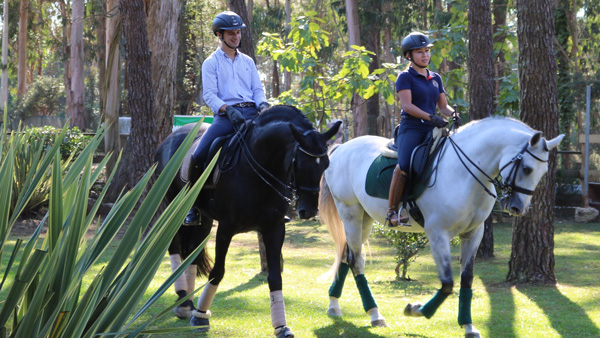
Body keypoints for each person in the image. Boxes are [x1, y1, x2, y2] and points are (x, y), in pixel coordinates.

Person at [186, 11, 269, 225]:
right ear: (219, 35)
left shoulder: (248, 62)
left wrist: (263, 104)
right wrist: (225, 108)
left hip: (251, 113)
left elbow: (257, 88)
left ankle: (273, 204)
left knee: (276, 146)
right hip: (226, 117)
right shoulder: (210, 63)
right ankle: (192, 206)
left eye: (238, 33)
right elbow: (209, 95)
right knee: (199, 155)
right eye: (231, 33)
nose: (236, 37)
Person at [386, 31, 459, 227]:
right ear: (409, 55)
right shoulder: (405, 77)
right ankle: (392, 212)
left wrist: (453, 114)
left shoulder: (436, 78)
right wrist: (430, 117)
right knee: (404, 166)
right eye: (419, 52)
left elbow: (443, 106)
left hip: (433, 127)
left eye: (427, 51)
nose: (425, 55)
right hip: (412, 128)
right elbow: (407, 106)